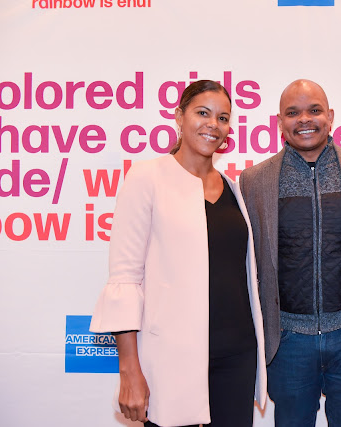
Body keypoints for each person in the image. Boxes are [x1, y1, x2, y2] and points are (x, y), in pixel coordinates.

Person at [89, 80, 267, 427]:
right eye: (203, 113)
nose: (213, 124)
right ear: (179, 116)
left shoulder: (233, 188)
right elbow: (125, 279)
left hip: (237, 356)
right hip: (172, 358)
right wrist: (129, 371)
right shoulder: (147, 177)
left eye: (223, 118)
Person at [240, 79, 341, 427]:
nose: (304, 119)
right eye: (293, 113)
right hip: (288, 342)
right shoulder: (254, 181)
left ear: (330, 116)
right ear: (279, 122)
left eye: (314, 110)